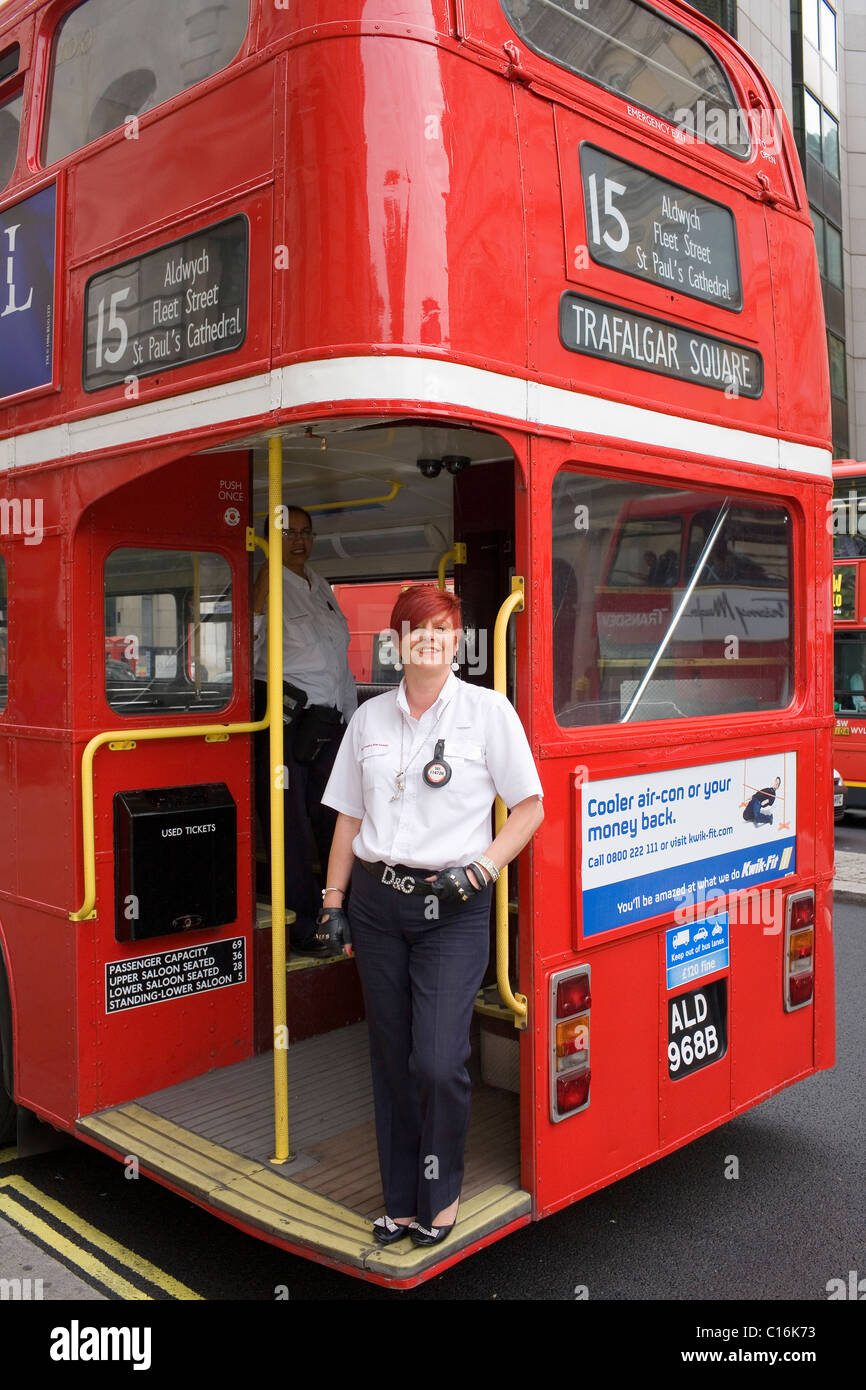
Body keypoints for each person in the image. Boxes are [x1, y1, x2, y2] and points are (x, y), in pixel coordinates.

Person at [315, 584, 544, 1248]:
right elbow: (348, 819)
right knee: (390, 1059)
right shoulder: (369, 720)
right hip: (377, 901)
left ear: (457, 640)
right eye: (415, 631)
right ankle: (401, 1202)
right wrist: (333, 905)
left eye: (442, 631)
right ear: (395, 642)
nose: (429, 641)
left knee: (437, 1060)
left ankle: (440, 1197)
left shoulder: (487, 713)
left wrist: (486, 865)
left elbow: (529, 807)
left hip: (454, 906)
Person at [252, 506, 356, 953]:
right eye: (288, 533)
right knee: (288, 829)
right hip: (286, 722)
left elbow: (337, 661)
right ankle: (299, 927)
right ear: (268, 538)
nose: (299, 540)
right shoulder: (268, 581)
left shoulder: (320, 584)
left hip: (331, 723)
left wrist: (353, 721)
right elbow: (246, 638)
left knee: (335, 819)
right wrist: (263, 579)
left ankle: (338, 915)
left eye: (306, 532)